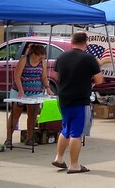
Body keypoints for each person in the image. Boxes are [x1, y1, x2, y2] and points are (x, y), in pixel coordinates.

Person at [51, 31, 102, 174]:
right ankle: (74, 165)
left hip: (63, 98)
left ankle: (59, 158)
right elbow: (99, 80)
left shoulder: (61, 57)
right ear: (85, 42)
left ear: (72, 41)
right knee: (76, 133)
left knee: (65, 129)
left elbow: (56, 76)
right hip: (80, 99)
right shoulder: (89, 59)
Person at [6, 43, 49, 146]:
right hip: (20, 91)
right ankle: (8, 139)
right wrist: (21, 90)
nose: (40, 60)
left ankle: (30, 138)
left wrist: (48, 87)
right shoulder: (24, 60)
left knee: (33, 115)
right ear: (34, 54)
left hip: (36, 92)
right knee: (15, 115)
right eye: (39, 57)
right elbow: (17, 76)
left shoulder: (42, 62)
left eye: (42, 58)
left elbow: (43, 77)